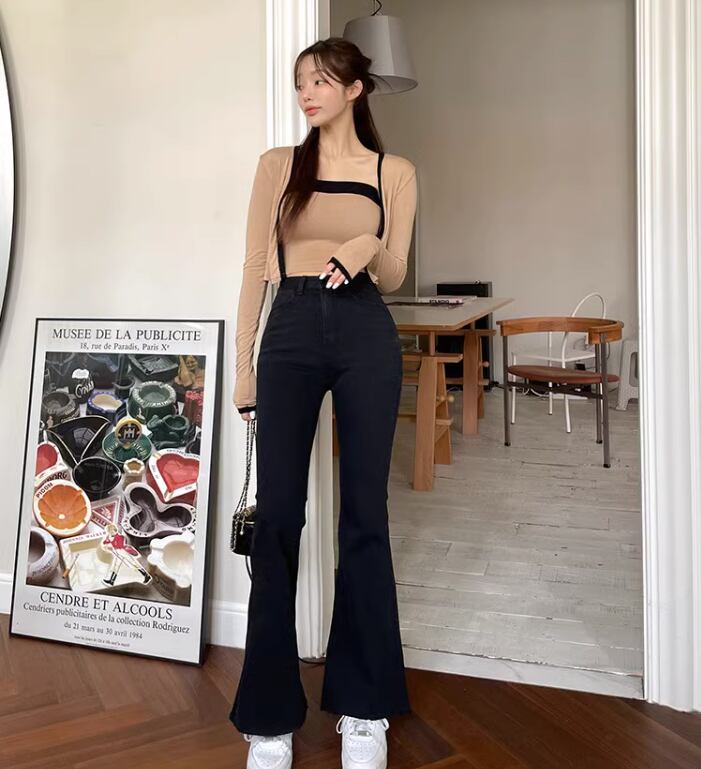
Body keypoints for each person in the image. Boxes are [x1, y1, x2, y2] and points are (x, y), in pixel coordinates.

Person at [230, 36, 418, 769]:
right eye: (300, 81)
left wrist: (364, 243)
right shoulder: (278, 166)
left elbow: (394, 271)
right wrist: (244, 367)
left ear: (354, 88)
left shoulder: (392, 171)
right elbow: (255, 265)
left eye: (320, 81)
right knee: (278, 515)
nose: (306, 93)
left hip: (366, 329)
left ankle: (365, 708)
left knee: (365, 513)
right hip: (292, 329)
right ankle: (269, 718)